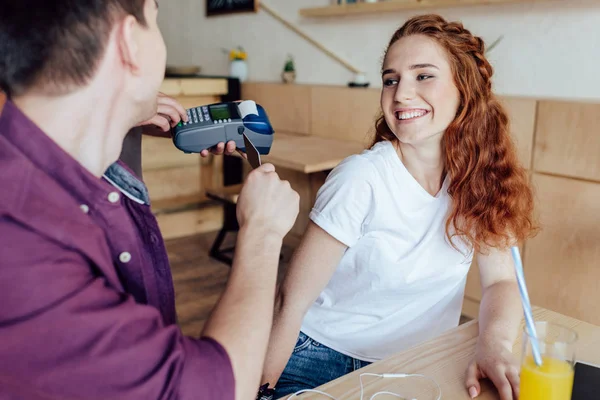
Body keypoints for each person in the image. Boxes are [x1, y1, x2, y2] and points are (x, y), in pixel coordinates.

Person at [0, 1, 299, 400]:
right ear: (129, 43)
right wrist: (261, 234)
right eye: (156, 22)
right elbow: (216, 392)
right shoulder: (23, 251)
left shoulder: (40, 171)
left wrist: (122, 109)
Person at [258, 14, 537, 400]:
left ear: (465, 89)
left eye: (423, 76)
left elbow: (501, 281)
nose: (401, 93)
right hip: (319, 361)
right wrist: (260, 390)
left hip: (418, 361)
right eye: (391, 80)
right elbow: (290, 303)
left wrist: (493, 343)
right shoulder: (361, 178)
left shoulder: (482, 178)